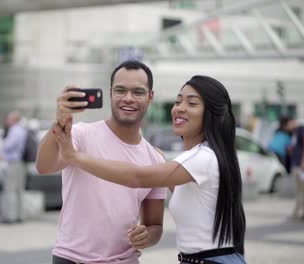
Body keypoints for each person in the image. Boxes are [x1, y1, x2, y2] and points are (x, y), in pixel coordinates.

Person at [54, 75, 246, 264]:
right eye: (178, 102)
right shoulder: (201, 159)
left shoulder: (204, 158)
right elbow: (171, 187)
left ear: (212, 113)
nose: (180, 109)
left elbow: (136, 177)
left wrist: (75, 157)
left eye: (192, 103)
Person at [36, 60, 167, 264]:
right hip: (72, 259)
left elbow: (155, 226)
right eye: (120, 90)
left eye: (138, 92)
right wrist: (59, 121)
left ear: (150, 97)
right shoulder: (80, 134)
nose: (128, 98)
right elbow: (44, 166)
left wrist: (147, 236)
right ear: (110, 93)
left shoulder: (155, 160)